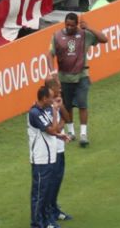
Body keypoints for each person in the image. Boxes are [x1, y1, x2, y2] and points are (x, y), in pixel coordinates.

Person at [50, 12, 98, 147]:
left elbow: (104, 39)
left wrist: (88, 28)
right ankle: (71, 132)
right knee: (67, 105)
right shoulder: (57, 36)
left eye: (72, 25)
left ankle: (83, 134)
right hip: (64, 77)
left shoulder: (84, 35)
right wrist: (52, 72)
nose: (69, 27)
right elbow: (50, 54)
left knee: (83, 104)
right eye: (67, 25)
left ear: (77, 25)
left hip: (82, 76)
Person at [26, 84, 68, 228]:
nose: (53, 100)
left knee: (45, 191)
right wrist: (56, 111)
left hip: (49, 158)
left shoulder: (42, 111)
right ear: (44, 98)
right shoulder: (35, 113)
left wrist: (61, 136)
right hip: (40, 159)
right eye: (50, 97)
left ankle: (45, 220)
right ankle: (37, 224)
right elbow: (52, 129)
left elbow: (54, 131)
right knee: (39, 193)